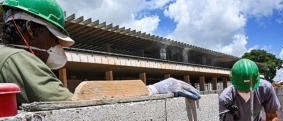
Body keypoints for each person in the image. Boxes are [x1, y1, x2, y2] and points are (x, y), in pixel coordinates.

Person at [0, 0, 200, 106]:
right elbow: (74, 107)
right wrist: (152, 91)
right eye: (53, 39)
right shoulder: (18, 59)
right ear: (31, 29)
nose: (54, 47)